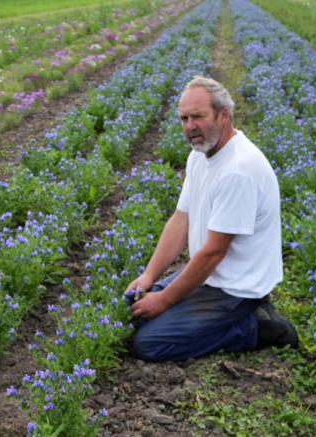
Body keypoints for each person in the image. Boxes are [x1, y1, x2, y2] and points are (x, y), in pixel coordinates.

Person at [126, 76, 298, 362]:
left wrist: (165, 300)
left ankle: (256, 326)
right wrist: (149, 275)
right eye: (184, 118)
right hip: (211, 276)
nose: (189, 126)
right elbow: (180, 220)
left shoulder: (238, 170)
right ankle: (208, 316)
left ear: (224, 116)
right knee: (135, 310)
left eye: (198, 116)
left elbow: (214, 253)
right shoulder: (200, 154)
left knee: (149, 343)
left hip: (236, 288)